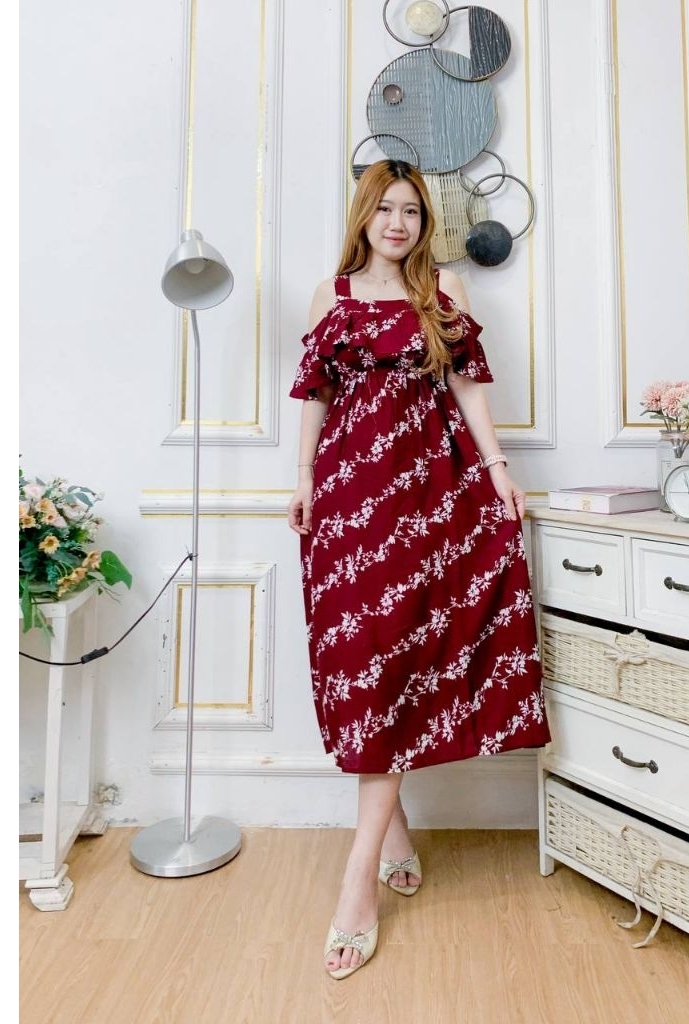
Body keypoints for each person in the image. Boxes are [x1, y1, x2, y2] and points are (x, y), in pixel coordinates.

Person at [287, 159, 551, 980]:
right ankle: (392, 828)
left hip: (432, 498)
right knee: (365, 666)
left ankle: (357, 879)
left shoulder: (444, 292)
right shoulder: (331, 296)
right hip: (348, 499)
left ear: (423, 223)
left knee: (405, 658)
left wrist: (499, 469)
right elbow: (316, 397)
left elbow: (468, 388)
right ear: (364, 217)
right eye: (385, 210)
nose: (397, 224)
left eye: (411, 211)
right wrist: (303, 480)